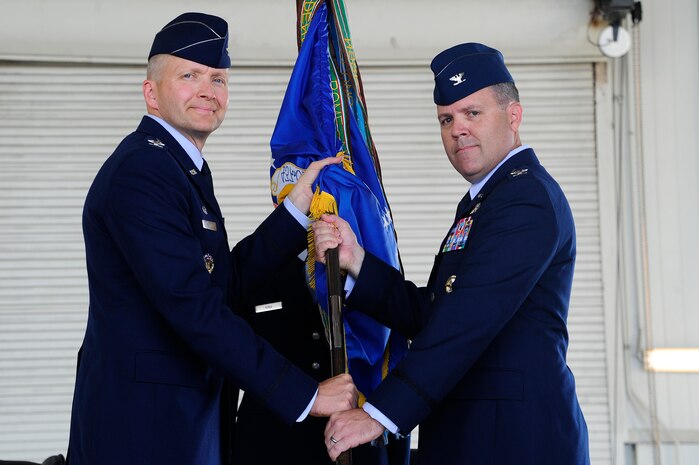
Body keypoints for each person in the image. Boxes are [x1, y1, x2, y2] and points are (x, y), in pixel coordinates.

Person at [66, 12, 357, 465]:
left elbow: (222, 287)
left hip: (181, 422)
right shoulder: (143, 172)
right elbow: (194, 307)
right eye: (189, 76)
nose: (208, 90)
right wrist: (305, 396)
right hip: (144, 431)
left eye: (218, 78)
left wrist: (294, 212)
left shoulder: (179, 169)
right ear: (152, 94)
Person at [312, 42, 591, 464]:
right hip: (471, 434)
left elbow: (466, 321)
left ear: (513, 116)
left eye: (473, 113)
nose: (458, 128)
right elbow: (438, 314)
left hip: (514, 441)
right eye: (447, 118)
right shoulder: (486, 200)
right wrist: (358, 262)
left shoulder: (526, 198)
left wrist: (379, 414)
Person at [232, 255, 411, 465]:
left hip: (357, 448)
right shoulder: (256, 260)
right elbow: (230, 356)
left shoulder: (372, 264)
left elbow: (394, 361)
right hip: (270, 446)